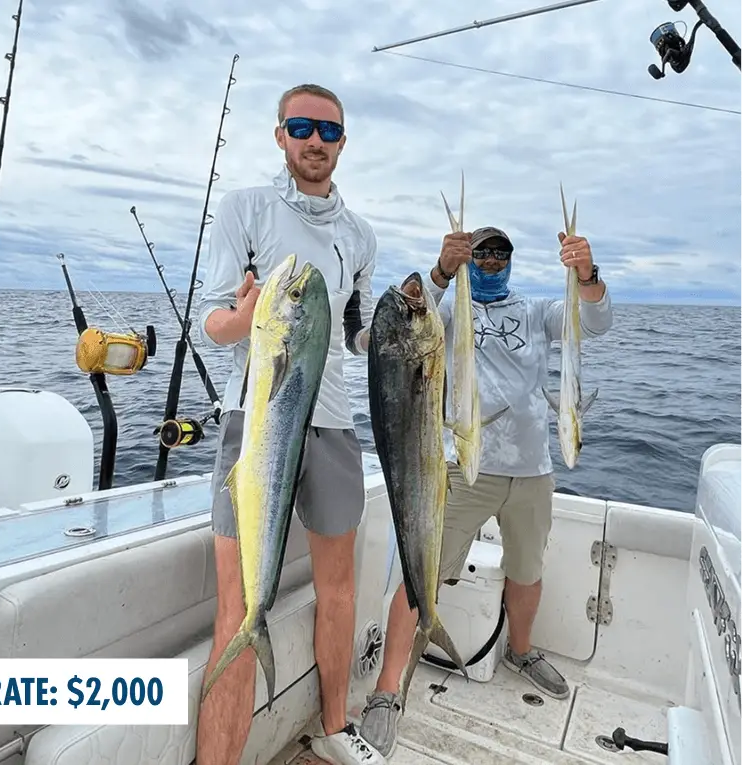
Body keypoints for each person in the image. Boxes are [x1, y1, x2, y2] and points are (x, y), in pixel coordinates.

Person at [359, 222, 613, 759]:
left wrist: (587, 275)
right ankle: (386, 692)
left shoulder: (537, 311)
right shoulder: (448, 313)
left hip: (532, 471)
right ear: (470, 260)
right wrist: (442, 271)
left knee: (527, 571)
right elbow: (392, 326)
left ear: (511, 260)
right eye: (481, 253)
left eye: (500, 253)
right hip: (463, 467)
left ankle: (520, 651)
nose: (491, 260)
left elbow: (594, 323)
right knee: (419, 569)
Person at [196, 83, 386, 765]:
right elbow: (215, 323)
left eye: (328, 131)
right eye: (301, 126)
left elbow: (359, 333)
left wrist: (400, 335)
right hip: (256, 423)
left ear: (342, 142)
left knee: (340, 589)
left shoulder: (361, 236)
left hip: (333, 427)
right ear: (280, 135)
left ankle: (335, 727)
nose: (314, 140)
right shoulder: (244, 209)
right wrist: (247, 318)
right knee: (237, 607)